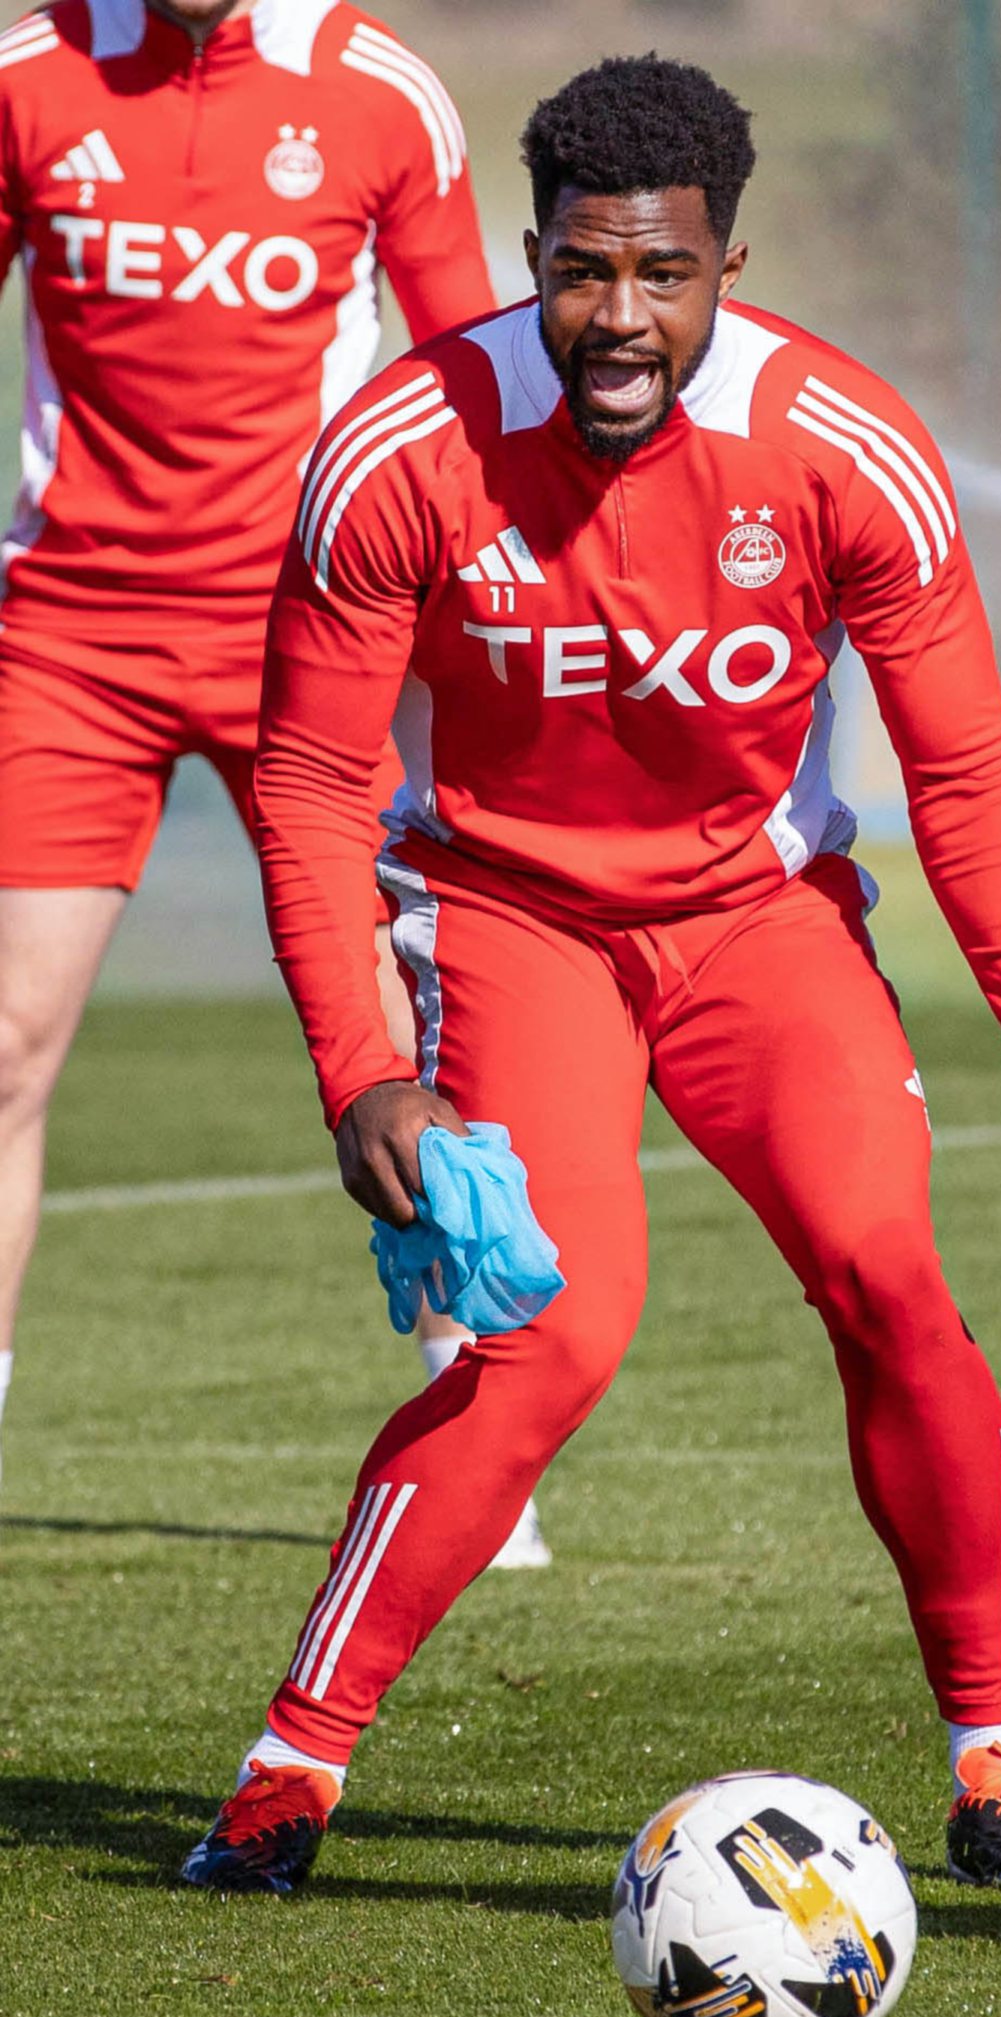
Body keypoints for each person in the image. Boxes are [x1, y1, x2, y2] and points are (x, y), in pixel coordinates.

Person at [181, 53, 1001, 1901]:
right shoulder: (399, 447)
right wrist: (365, 1071)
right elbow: (305, 783)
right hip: (509, 919)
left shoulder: (842, 446)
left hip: (757, 923)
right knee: (551, 1342)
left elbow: (965, 771)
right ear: (532, 255)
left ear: (729, 262)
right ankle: (287, 1772)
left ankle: (997, 1755)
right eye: (582, 273)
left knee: (889, 1278)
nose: (620, 321)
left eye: (665, 276)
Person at [0, 0, 549, 1563]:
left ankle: (470, 1416)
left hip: (310, 632)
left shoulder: (380, 96)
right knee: (5, 1043)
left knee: (388, 1026)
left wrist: (486, 620)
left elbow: (469, 381)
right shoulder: (27, 77)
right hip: (68, 637)